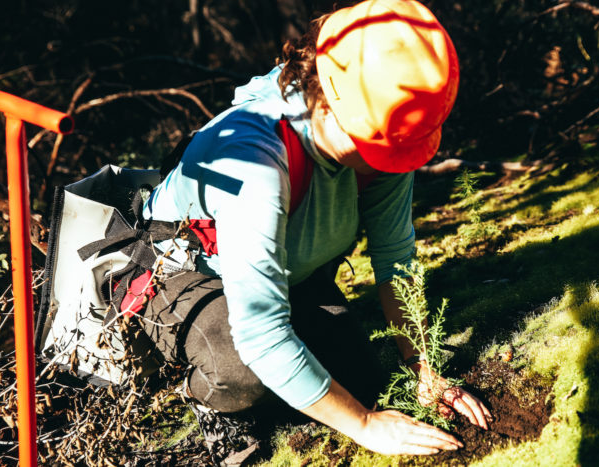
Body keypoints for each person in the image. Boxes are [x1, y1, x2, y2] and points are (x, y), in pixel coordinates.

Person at [141, 0, 491, 457]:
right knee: (239, 370)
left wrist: (422, 364)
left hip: (287, 276)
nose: (390, 161)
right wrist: (366, 426)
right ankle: (211, 403)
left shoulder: (385, 128)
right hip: (188, 280)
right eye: (379, 145)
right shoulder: (257, 160)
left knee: (354, 370)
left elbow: (395, 258)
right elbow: (261, 333)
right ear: (329, 97)